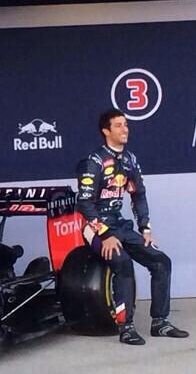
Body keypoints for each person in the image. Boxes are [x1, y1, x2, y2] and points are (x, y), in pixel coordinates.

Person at [76, 109, 189, 346]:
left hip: (120, 224)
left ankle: (160, 322)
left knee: (161, 262)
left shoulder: (130, 159)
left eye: (126, 124)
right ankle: (126, 328)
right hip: (95, 228)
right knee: (124, 264)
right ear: (106, 131)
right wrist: (104, 234)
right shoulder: (94, 161)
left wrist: (145, 229)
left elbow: (139, 195)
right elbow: (84, 203)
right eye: (118, 125)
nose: (125, 129)